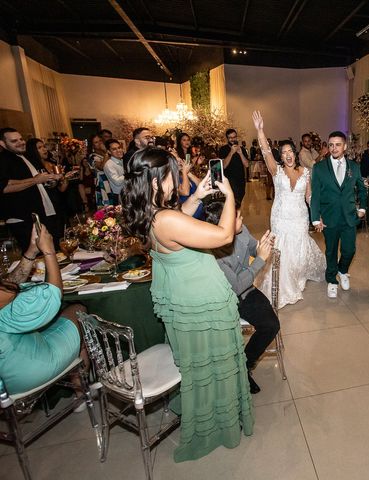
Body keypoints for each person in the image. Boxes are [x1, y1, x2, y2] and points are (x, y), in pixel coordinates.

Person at [121, 147, 253, 463]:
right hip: (203, 302)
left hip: (185, 299)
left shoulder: (150, 213)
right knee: (214, 365)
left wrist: (196, 197)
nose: (177, 178)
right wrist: (229, 195)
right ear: (156, 181)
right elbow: (222, 236)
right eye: (171, 173)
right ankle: (218, 425)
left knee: (199, 363)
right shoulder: (165, 219)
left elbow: (177, 221)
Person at [0, 224, 88, 396]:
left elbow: (8, 287)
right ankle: (81, 391)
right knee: (78, 310)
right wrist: (49, 251)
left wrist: (31, 252)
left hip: (9, 366)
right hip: (25, 371)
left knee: (48, 324)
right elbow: (52, 296)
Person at [205, 200, 280, 394]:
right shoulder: (214, 252)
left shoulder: (242, 230)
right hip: (226, 298)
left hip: (247, 291)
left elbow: (253, 248)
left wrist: (263, 246)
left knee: (271, 325)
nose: (242, 218)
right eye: (237, 217)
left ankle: (244, 365)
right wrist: (260, 260)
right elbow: (236, 286)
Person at [252, 111, 325, 307]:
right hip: (281, 217)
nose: (287, 155)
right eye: (283, 153)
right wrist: (260, 131)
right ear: (281, 156)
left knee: (299, 247)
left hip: (300, 216)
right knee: (282, 249)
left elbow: (309, 196)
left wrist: (316, 216)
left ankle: (297, 275)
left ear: (295, 152)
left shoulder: (305, 172)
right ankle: (285, 282)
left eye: (290, 151)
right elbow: (266, 151)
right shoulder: (276, 171)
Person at [310, 129, 367, 298]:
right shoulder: (319, 168)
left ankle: (342, 271)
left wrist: (362, 208)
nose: (334, 148)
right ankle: (332, 280)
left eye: (338, 145)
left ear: (345, 146)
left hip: (349, 216)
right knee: (331, 251)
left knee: (349, 250)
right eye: (331, 145)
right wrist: (315, 218)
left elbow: (362, 190)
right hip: (329, 217)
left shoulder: (354, 167)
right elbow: (316, 195)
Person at [0, 127, 62, 250]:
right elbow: (5, 187)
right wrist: (35, 180)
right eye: (14, 141)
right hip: (23, 218)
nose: (21, 142)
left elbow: (40, 181)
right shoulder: (3, 160)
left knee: (53, 251)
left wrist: (52, 180)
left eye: (21, 139)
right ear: (3, 143)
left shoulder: (27, 157)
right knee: (36, 257)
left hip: (43, 213)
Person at [25, 138, 68, 240]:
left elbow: (62, 189)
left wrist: (64, 178)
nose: (44, 149)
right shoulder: (32, 168)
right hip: (44, 204)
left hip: (58, 202)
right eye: (39, 148)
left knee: (63, 233)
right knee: (51, 235)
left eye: (44, 146)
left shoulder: (51, 164)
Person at [219, 128, 249, 205]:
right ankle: (233, 216)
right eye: (230, 138)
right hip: (229, 180)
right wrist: (231, 152)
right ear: (227, 138)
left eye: (234, 137)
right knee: (233, 201)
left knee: (240, 199)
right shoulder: (223, 149)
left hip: (241, 179)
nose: (233, 139)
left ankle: (236, 215)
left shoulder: (242, 149)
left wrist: (241, 153)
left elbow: (247, 164)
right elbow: (224, 166)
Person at [103, 139, 125, 204]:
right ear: (109, 152)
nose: (118, 150)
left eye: (119, 148)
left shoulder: (122, 161)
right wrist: (128, 174)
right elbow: (117, 181)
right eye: (114, 149)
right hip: (119, 195)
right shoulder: (109, 164)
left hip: (126, 192)